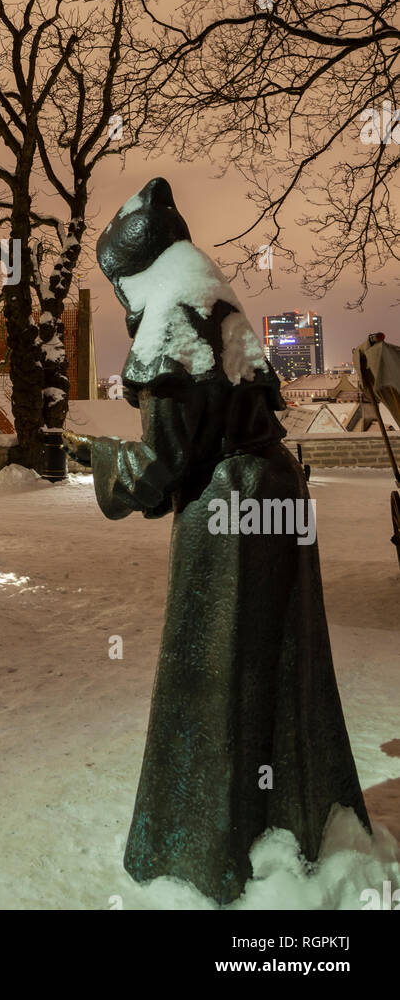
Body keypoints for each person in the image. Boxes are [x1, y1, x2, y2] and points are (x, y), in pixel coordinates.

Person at [62, 178, 370, 904]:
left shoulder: (172, 319)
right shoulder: (219, 304)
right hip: (278, 497)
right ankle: (287, 819)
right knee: (282, 670)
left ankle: (207, 851)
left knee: (214, 676)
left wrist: (100, 458)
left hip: (230, 514)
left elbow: (164, 462)